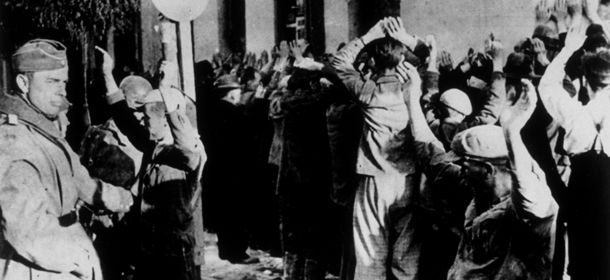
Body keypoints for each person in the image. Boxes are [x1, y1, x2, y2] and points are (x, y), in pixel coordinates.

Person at [401, 59, 558, 279]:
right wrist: (411, 99)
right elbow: (431, 156)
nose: (458, 168)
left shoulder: (529, 207)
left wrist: (511, 132)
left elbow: (526, 189)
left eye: (463, 162)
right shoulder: (472, 187)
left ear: (487, 170)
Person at [0, 38, 133, 280]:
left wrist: (123, 199)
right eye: (51, 82)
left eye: (63, 82)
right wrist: (81, 256)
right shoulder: (13, 139)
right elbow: (28, 230)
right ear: (22, 83)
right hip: (37, 266)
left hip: (63, 257)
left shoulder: (43, 128)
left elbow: (79, 179)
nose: (61, 91)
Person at [100, 48, 206, 279]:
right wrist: (108, 75)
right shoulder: (154, 145)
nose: (143, 124)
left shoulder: (187, 153)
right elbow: (125, 120)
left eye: (147, 119)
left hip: (173, 255)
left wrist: (166, 92)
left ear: (167, 122)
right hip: (148, 249)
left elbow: (186, 144)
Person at [332, 17, 425, 279]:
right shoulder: (414, 87)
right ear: (402, 60)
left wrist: (369, 35)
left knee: (370, 252)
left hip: (374, 178)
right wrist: (406, 38)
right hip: (408, 178)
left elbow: (339, 62)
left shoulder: (367, 91)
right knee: (406, 256)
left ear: (372, 62)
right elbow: (430, 56)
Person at [538, 14, 610, 279]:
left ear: (586, 84)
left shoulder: (575, 115)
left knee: (581, 265)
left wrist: (568, 49)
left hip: (582, 195)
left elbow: (547, 85)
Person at [203, 74, 259, 264]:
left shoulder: (213, 112)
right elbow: (248, 139)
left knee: (224, 213)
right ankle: (238, 253)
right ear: (230, 93)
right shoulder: (234, 114)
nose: (240, 94)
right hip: (236, 172)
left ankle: (225, 250)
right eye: (238, 90)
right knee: (237, 213)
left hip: (218, 170)